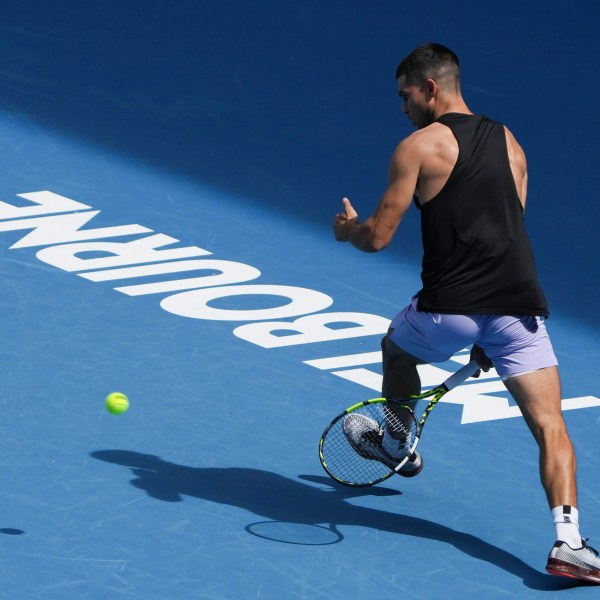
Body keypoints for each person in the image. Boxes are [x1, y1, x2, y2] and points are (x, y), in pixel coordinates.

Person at [332, 42, 600, 583]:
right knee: (551, 427)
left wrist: (347, 233)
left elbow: (379, 237)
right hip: (518, 309)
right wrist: (493, 325)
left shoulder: (418, 146)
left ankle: (396, 445)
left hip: (447, 310)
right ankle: (570, 543)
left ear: (429, 88)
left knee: (395, 350)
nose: (402, 107)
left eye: (405, 95)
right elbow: (512, 224)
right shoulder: (511, 143)